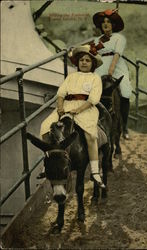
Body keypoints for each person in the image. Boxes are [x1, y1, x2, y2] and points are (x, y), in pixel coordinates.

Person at [40, 44, 105, 188]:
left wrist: (79, 109)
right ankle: (47, 162)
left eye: (87, 60)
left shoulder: (95, 78)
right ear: (77, 62)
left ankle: (94, 171)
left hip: (86, 109)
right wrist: (60, 107)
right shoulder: (71, 77)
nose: (84, 63)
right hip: (67, 108)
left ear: (93, 64)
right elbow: (61, 93)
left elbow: (93, 99)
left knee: (90, 135)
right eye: (81, 60)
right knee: (45, 126)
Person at [92, 8, 132, 139]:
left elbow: (116, 54)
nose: (105, 24)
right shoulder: (98, 40)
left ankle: (124, 126)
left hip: (116, 66)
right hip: (101, 65)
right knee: (94, 90)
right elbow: (93, 55)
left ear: (113, 25)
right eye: (103, 22)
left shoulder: (119, 38)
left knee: (125, 91)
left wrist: (111, 71)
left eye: (108, 22)